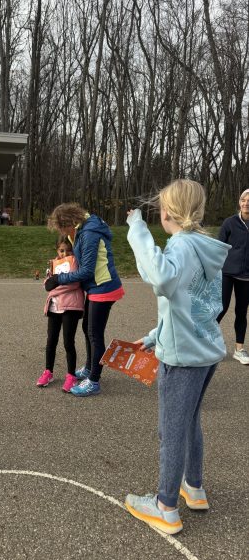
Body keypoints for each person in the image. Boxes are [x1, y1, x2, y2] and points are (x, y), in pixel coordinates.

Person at [125, 179, 230, 534]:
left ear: (168, 211)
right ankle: (193, 486)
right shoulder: (201, 246)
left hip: (184, 358)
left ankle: (165, 505)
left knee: (170, 430)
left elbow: (161, 278)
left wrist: (137, 229)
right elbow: (192, 304)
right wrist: (155, 336)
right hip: (205, 349)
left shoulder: (182, 246)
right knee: (188, 422)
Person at [45, 203, 124, 396]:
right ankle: (89, 368)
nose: (62, 232)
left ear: (69, 222)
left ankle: (94, 381)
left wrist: (58, 279)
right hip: (95, 287)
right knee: (87, 329)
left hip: (103, 286)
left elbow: (87, 270)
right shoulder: (82, 229)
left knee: (95, 334)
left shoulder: (89, 233)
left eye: (61, 227)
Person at [36, 235, 84, 392]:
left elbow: (75, 283)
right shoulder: (54, 263)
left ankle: (71, 375)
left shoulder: (74, 261)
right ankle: (48, 371)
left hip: (71, 306)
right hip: (54, 307)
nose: (65, 254)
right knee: (51, 341)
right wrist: (52, 282)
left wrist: (55, 285)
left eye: (68, 251)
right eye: (62, 250)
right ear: (57, 250)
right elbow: (47, 283)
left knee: (68, 342)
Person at [216, 189, 249, 364]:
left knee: (242, 312)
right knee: (220, 308)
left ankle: (239, 349)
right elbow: (219, 247)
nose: (246, 203)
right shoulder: (230, 222)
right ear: (239, 202)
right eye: (244, 200)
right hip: (227, 273)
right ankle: (205, 343)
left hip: (247, 277)